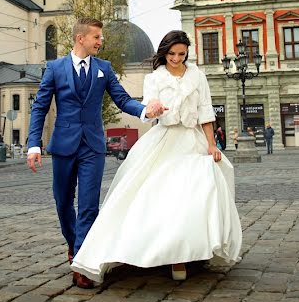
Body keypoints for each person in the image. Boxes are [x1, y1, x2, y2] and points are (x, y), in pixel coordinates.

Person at [71, 30, 241, 285]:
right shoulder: (154, 78)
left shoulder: (198, 76)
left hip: (192, 141)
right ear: (164, 53)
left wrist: (211, 144)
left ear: (187, 53)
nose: (176, 58)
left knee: (196, 195)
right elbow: (149, 108)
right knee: (156, 196)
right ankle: (158, 253)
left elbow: (206, 112)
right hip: (164, 139)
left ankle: (186, 255)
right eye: (172, 54)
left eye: (181, 54)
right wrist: (153, 110)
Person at [27, 17, 166, 289]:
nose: (101, 42)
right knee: (63, 203)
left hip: (93, 146)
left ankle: (82, 261)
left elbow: (122, 99)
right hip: (64, 146)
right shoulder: (55, 68)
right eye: (97, 37)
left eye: (100, 38)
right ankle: (73, 243)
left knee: (89, 205)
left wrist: (145, 110)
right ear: (81, 38)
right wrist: (34, 144)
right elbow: (40, 108)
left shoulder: (104, 68)